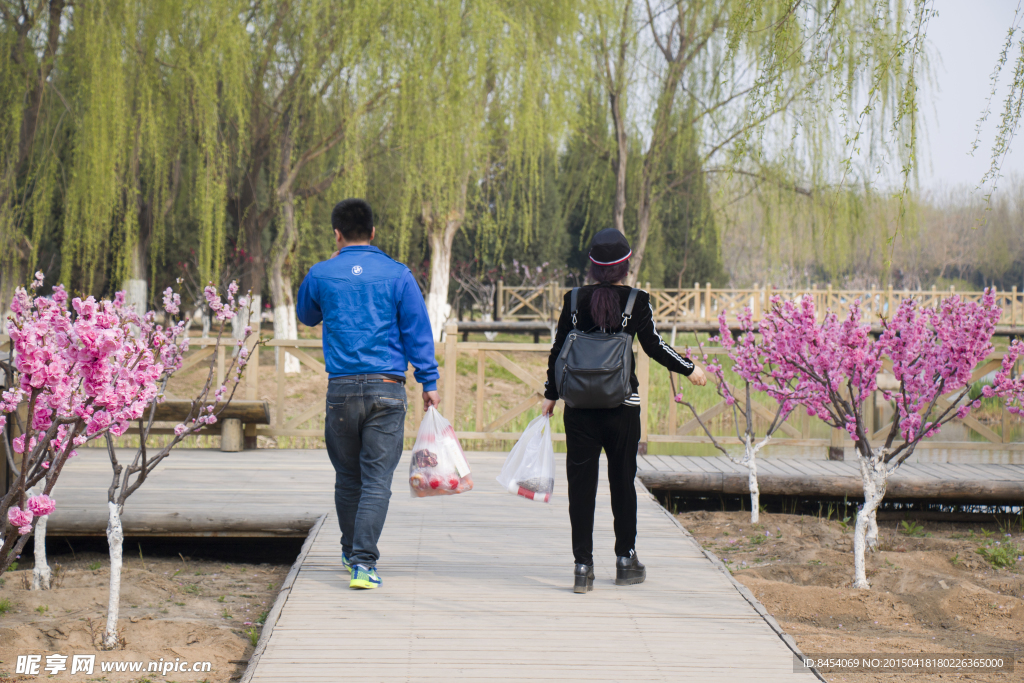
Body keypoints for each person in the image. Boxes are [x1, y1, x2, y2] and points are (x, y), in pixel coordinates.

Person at [541, 228, 707, 594]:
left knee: (581, 489)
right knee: (622, 484)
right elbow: (655, 346)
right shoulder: (637, 301)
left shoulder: (573, 301)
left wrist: (551, 394)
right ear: (625, 266)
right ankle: (625, 559)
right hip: (622, 409)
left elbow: (558, 352)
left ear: (593, 266)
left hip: (580, 411)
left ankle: (582, 567)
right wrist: (690, 368)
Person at [297, 198, 439, 590]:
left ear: (337, 233)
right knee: (377, 480)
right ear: (374, 232)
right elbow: (417, 330)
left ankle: (349, 551)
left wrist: (329, 265)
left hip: (341, 389)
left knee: (348, 477)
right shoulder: (398, 274)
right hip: (387, 389)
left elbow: (307, 315)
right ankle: (363, 562)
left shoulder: (321, 273)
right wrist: (429, 382)